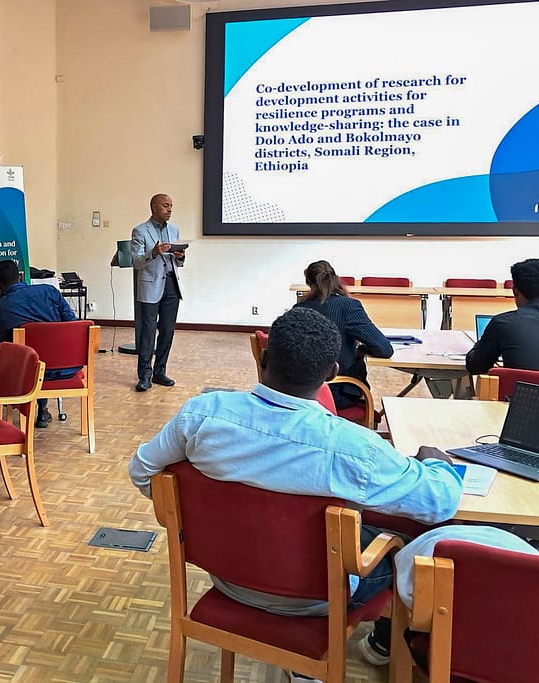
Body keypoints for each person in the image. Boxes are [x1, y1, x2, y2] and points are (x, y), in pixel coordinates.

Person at [128, 307, 463, 677]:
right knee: (410, 545)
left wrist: (188, 521)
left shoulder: (203, 415)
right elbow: (440, 502)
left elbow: (142, 470)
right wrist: (436, 463)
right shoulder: (356, 448)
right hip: (319, 601)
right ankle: (384, 645)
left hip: (228, 578)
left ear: (264, 359)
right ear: (332, 374)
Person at [0, 259, 79, 427]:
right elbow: (72, 324)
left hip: (30, 372)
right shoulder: (49, 291)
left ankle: (36, 408)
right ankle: (42, 410)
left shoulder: (1, 307)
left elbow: (6, 342)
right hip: (68, 367)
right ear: (20, 276)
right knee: (41, 357)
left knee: (30, 358)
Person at [294, 260, 392, 409]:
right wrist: (363, 350)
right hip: (336, 393)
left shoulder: (298, 309)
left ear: (309, 283)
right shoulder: (348, 306)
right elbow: (384, 349)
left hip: (299, 393)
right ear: (335, 279)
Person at [131, 193, 185, 392]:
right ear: (154, 207)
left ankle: (160, 372)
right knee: (147, 332)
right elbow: (135, 261)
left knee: (167, 331)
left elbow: (177, 261)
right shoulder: (140, 231)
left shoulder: (174, 229)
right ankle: (144, 376)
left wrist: (180, 256)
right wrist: (153, 252)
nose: (169, 209)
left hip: (171, 284)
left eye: (171, 206)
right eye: (165, 206)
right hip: (150, 285)